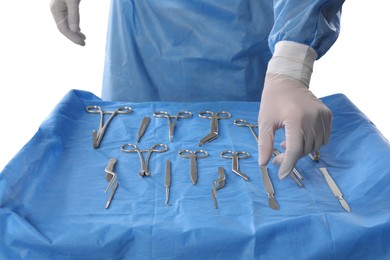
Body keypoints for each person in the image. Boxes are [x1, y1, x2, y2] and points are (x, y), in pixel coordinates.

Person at [50, 0, 344, 180]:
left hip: (239, 41)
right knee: (130, 167)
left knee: (252, 165)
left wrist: (291, 64)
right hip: (141, 35)